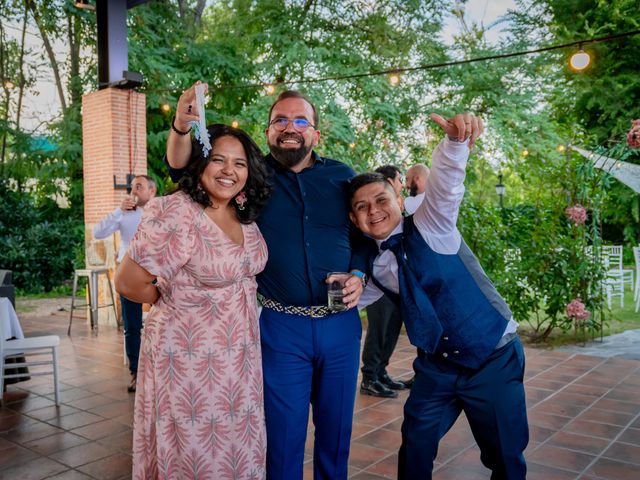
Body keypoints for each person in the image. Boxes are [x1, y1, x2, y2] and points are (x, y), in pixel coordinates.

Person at [165, 83, 366, 480]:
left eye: (300, 120)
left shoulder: (343, 176)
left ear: (316, 133)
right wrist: (182, 125)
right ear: (269, 130)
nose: (289, 127)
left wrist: (359, 271)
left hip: (340, 324)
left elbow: (364, 233)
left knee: (336, 433)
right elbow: (182, 167)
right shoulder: (250, 175)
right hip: (279, 327)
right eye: (280, 120)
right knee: (281, 434)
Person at [350, 113, 528, 479]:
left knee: (505, 457)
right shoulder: (374, 266)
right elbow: (345, 304)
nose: (374, 211)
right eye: (362, 207)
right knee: (415, 445)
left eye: (381, 199)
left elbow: (447, 186)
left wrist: (454, 145)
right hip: (437, 367)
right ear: (355, 220)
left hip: (491, 357)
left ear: (399, 197)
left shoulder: (432, 223)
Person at [115, 124, 273, 479]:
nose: (229, 171)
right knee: (195, 452)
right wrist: (170, 297)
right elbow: (127, 282)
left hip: (239, 360)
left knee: (237, 452)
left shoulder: (243, 212)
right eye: (218, 160)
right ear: (200, 163)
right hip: (189, 361)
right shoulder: (177, 211)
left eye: (240, 163)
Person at [93, 174, 157, 392]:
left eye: (138, 187)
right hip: (130, 277)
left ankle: (163, 370)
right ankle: (136, 372)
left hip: (159, 275)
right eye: (132, 187)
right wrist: (119, 211)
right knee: (131, 326)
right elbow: (98, 232)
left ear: (152, 191)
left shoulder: (162, 212)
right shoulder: (123, 214)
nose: (133, 191)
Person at [360, 165, 407, 398]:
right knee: (379, 329)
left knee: (391, 328)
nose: (403, 184)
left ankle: (381, 371)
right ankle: (369, 376)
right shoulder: (374, 221)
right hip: (377, 281)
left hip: (395, 285)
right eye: (400, 179)